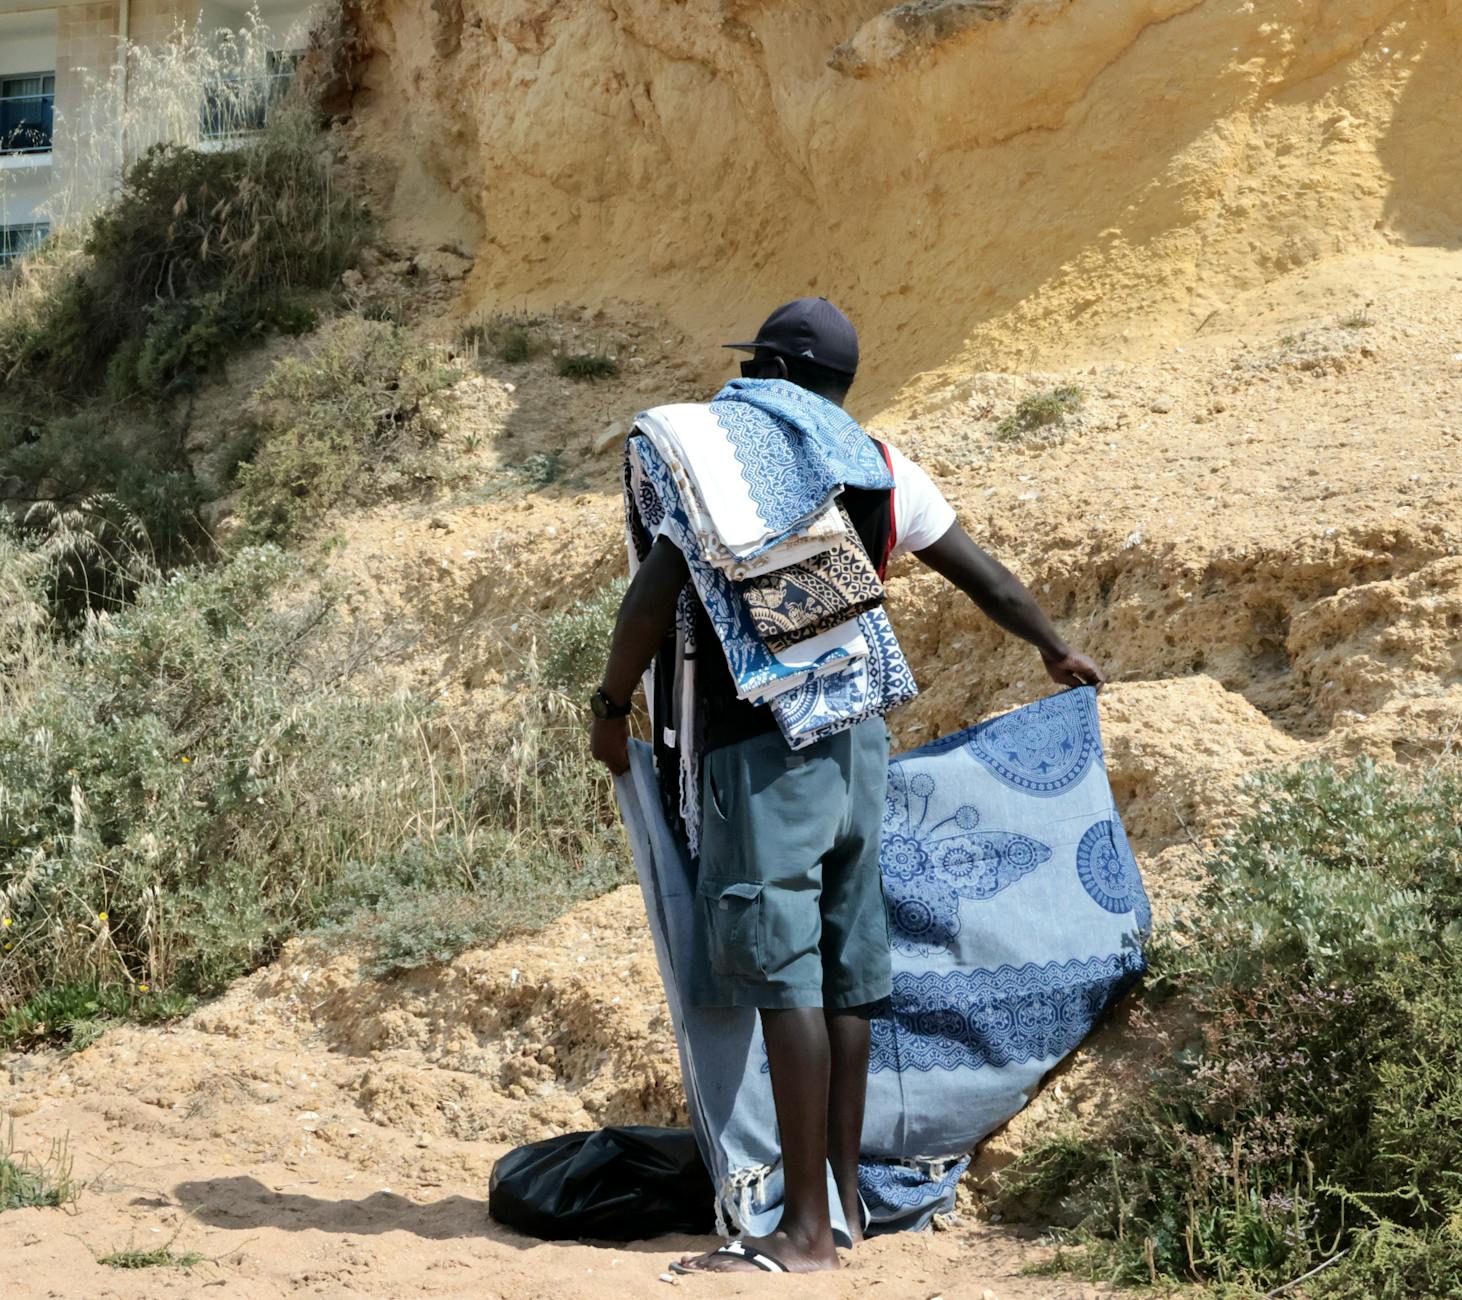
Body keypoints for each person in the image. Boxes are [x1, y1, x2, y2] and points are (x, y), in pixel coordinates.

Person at [589, 298, 1104, 1274]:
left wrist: (610, 706)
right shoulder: (879, 464)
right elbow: (980, 572)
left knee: (783, 970)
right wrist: (1054, 647)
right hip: (857, 738)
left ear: (774, 372)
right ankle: (848, 1205)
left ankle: (803, 1234)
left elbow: (653, 594)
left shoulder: (732, 467)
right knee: (846, 973)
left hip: (764, 750)